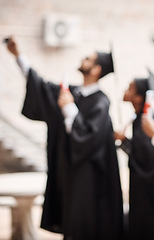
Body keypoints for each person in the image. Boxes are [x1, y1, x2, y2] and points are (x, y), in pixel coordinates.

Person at [5, 36, 123, 240]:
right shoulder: (74, 92)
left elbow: (88, 138)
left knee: (82, 225)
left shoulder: (101, 102)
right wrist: (18, 56)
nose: (83, 59)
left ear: (96, 69)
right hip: (67, 173)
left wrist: (69, 108)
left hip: (87, 180)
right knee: (69, 223)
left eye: (88, 58)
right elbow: (40, 86)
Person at [114, 69, 154, 240]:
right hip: (144, 189)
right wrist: (125, 140)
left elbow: (150, 159)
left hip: (151, 193)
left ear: (139, 97)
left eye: (130, 88)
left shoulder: (148, 121)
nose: (125, 90)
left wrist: (125, 142)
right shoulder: (138, 119)